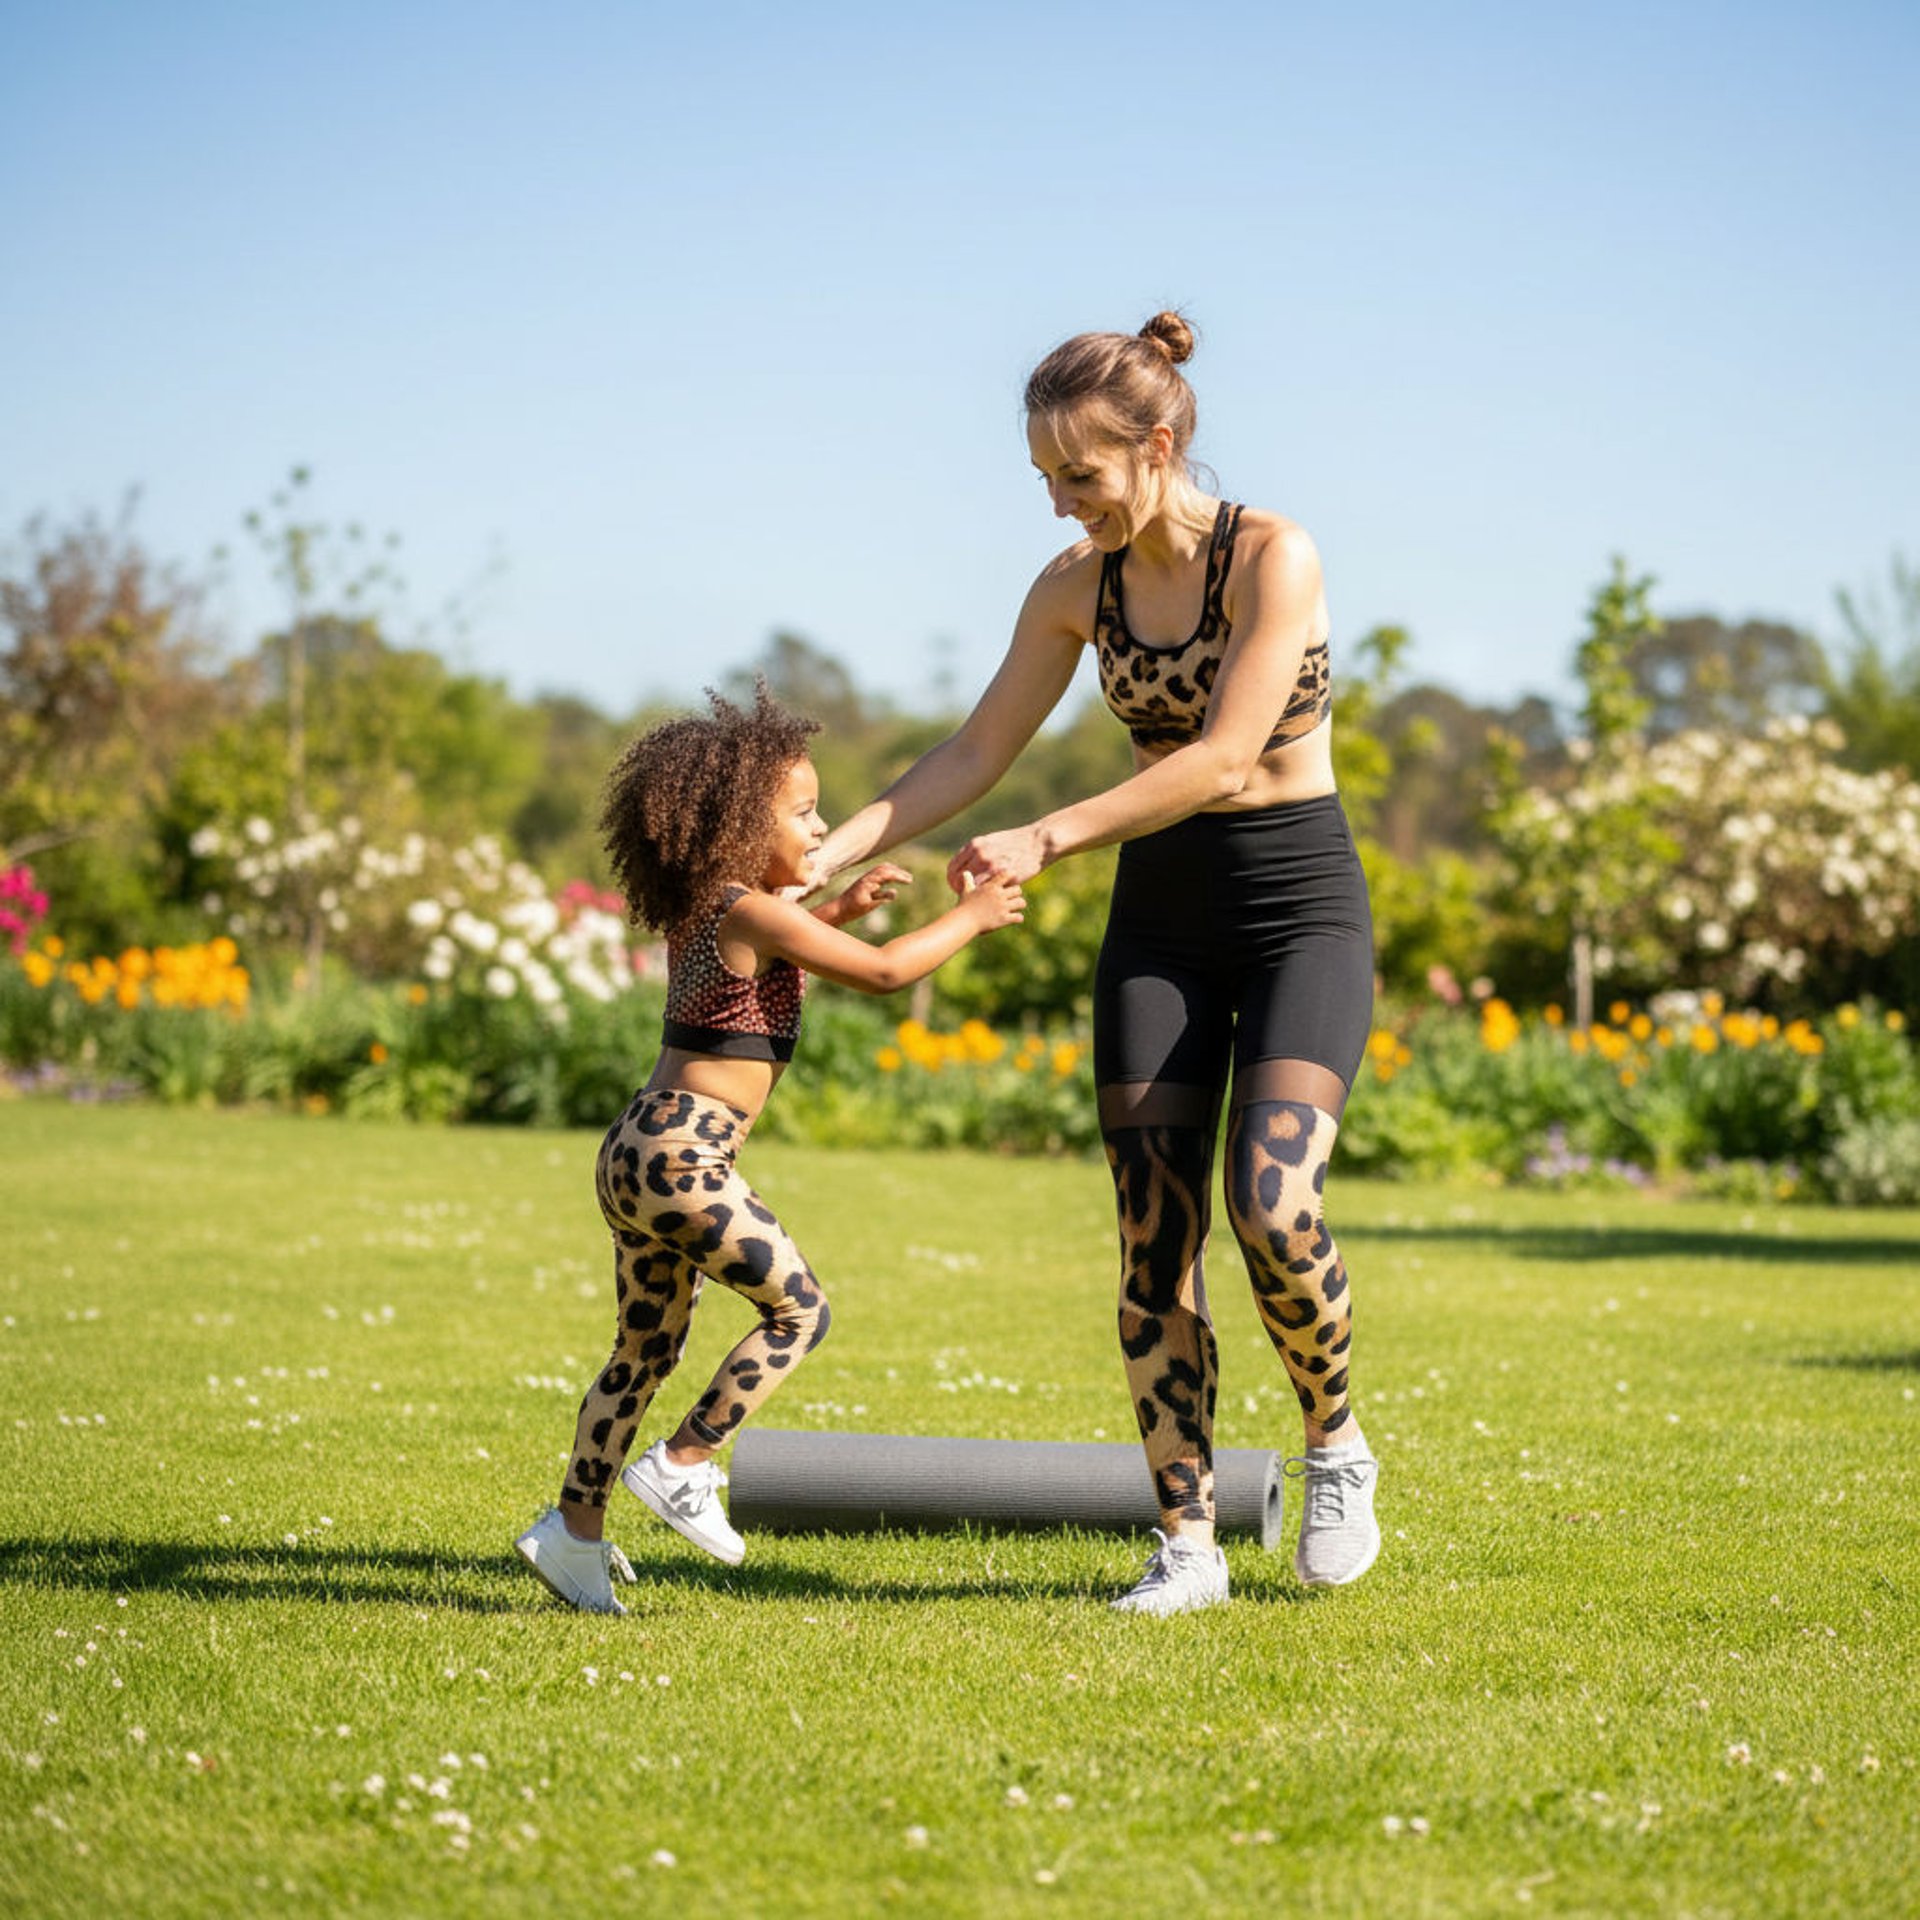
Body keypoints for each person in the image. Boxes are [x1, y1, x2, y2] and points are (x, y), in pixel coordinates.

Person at [811, 312, 1379, 1617]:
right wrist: (826, 859)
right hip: (1161, 926)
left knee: (1274, 1207)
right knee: (1151, 1239)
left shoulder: (1272, 558)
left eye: (1082, 474)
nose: (1063, 503)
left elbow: (1230, 757)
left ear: (1159, 443)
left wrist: (1051, 836)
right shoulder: (1077, 588)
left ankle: (1335, 1440)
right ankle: (1188, 1546)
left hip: (1300, 908)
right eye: (1045, 480)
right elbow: (970, 754)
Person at [515, 684, 1025, 1614]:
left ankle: (573, 1531)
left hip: (637, 1152)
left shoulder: (713, 908)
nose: (823, 827)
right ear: (738, 828)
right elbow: (882, 976)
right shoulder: (746, 906)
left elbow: (773, 967)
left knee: (642, 1351)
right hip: (685, 1158)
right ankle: (685, 1462)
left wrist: (838, 909)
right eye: (803, 812)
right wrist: (972, 917)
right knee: (800, 1313)